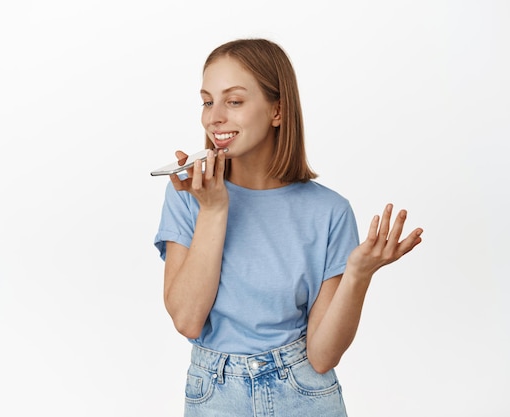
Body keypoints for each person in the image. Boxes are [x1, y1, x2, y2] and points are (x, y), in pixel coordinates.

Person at [153, 38, 423, 417]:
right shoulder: (187, 194)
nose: (214, 116)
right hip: (215, 395)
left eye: (234, 101)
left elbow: (323, 355)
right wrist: (214, 210)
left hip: (304, 394)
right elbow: (187, 319)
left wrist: (358, 274)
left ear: (277, 111)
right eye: (207, 100)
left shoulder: (329, 211)